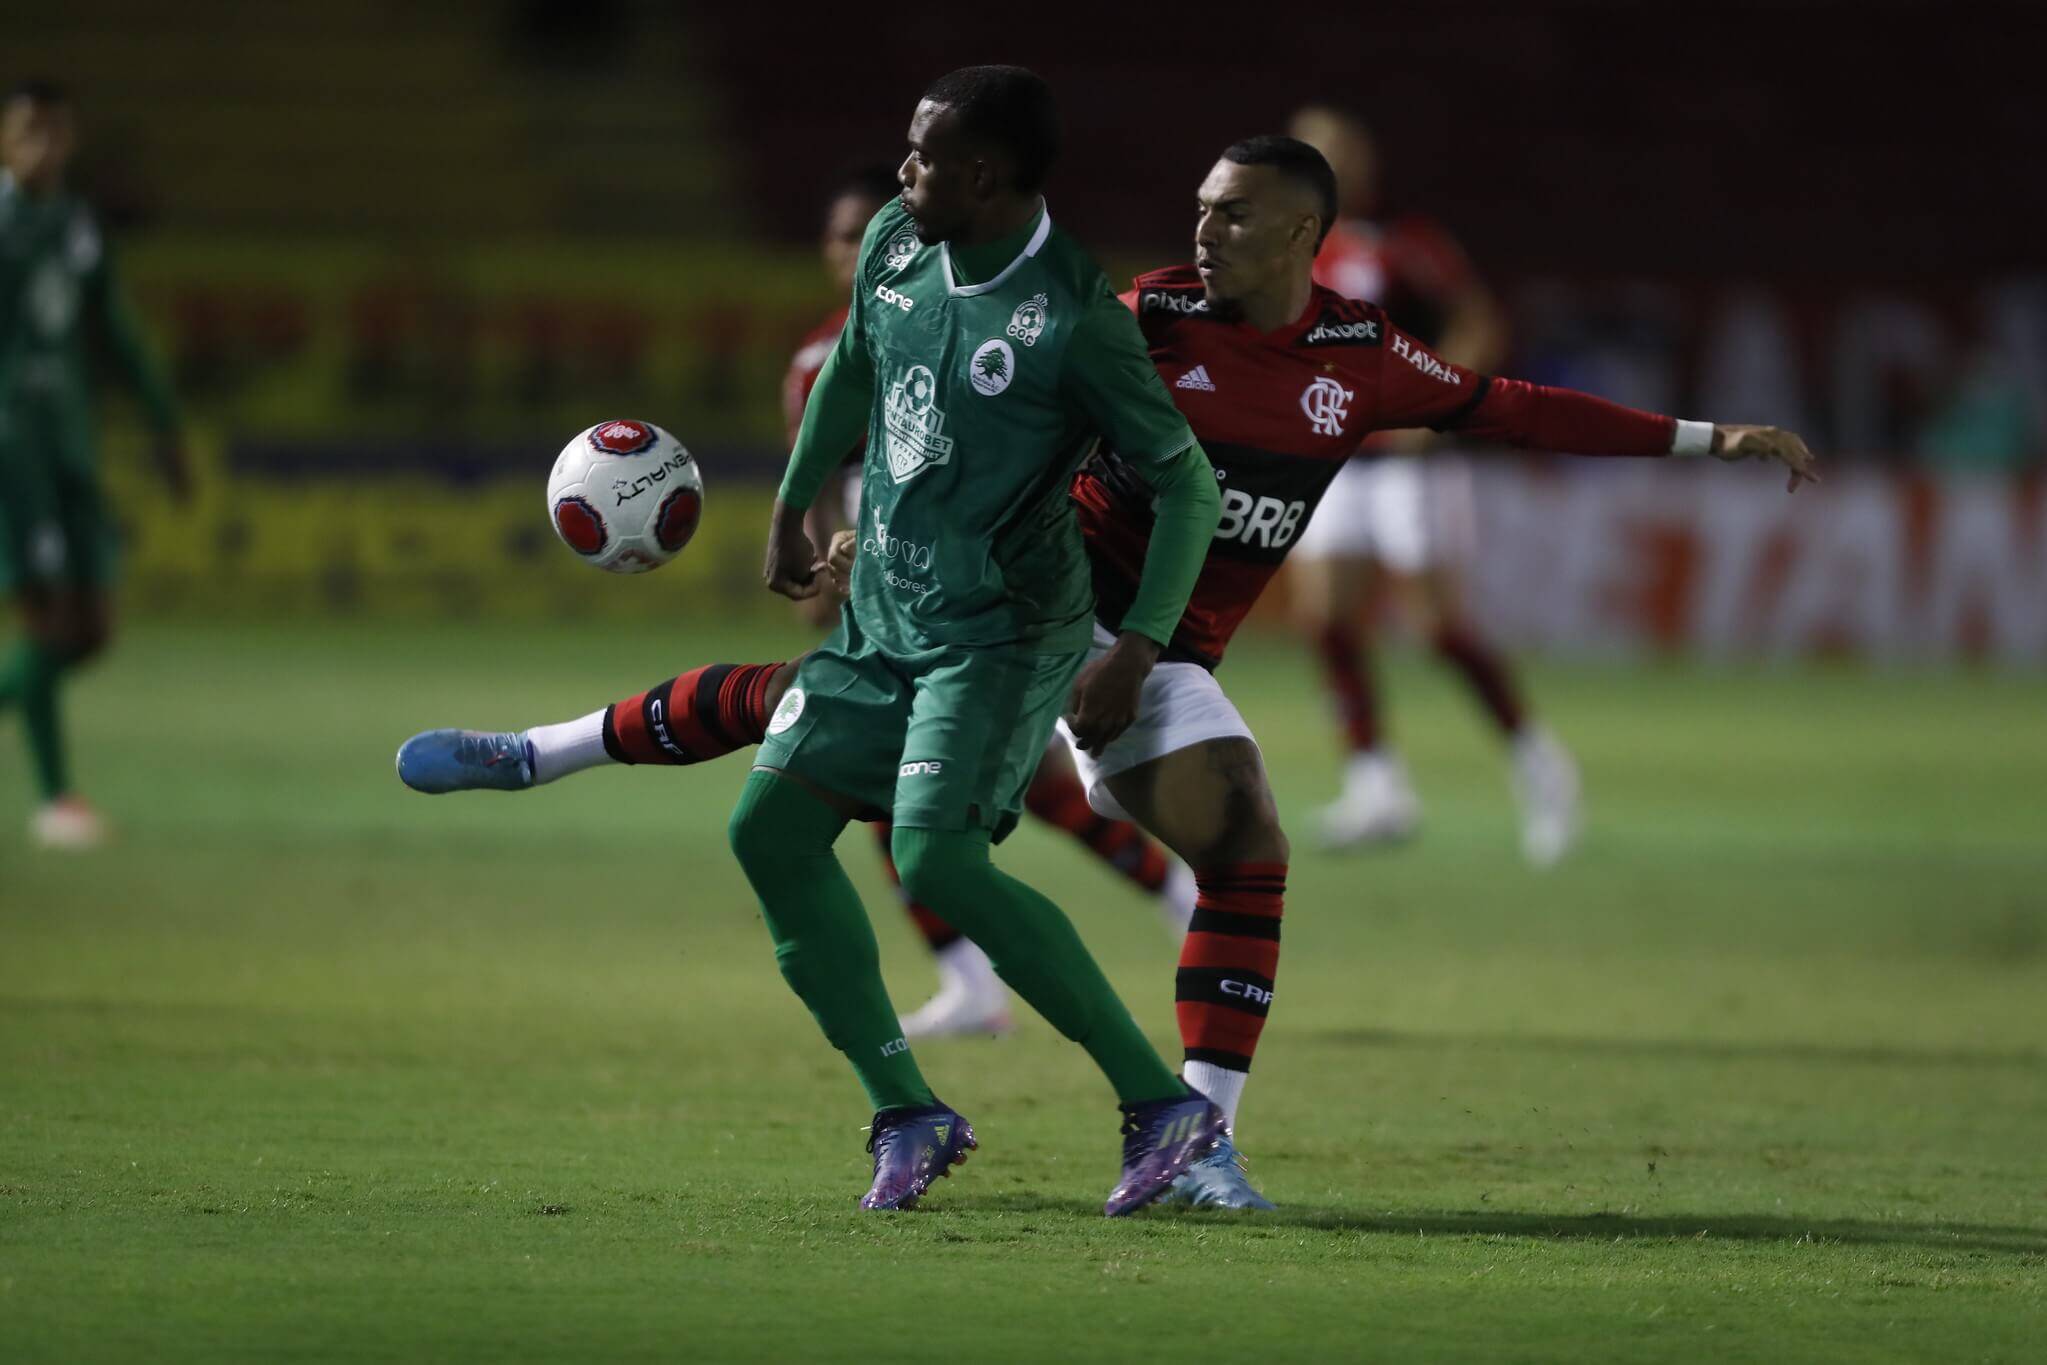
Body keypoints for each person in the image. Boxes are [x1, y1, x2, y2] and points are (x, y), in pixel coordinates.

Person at [399, 135, 1816, 1211]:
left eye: (1234, 211)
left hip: (1152, 653)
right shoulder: (1138, 322)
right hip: (1032, 614)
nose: (1202, 225)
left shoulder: (1357, 355)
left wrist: (1705, 437)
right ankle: (543, 751)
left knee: (1244, 845)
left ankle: (1198, 1141)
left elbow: (1510, 409)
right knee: (817, 751)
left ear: (1305, 236)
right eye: (1198, 205)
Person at [785, 169, 1194, 1040]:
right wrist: (820, 551)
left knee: (1000, 791)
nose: (861, 247)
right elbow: (821, 467)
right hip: (888, 595)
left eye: (872, 228)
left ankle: (1167, 892)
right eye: (843, 235)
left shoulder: (989, 317)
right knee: (890, 796)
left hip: (982, 601)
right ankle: (971, 978)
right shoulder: (823, 357)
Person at [1285, 106, 1579, 864]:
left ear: (1364, 165)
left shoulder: (1405, 244)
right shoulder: (1286, 250)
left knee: (1437, 629)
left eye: (1341, 152)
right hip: (1330, 461)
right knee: (1326, 619)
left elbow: (1476, 319)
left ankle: (1537, 761)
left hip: (1409, 464)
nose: (1330, 164)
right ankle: (1375, 784)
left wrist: (1442, 401)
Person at [1, 79, 188, 848]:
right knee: (47, 619)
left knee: (93, 629)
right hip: (10, 449)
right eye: (28, 132)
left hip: (69, 442)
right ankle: (56, 800)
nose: (44, 146)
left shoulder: (74, 224)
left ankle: (56, 799)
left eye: (56, 132)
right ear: (4, 141)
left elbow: (116, 329)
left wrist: (164, 426)